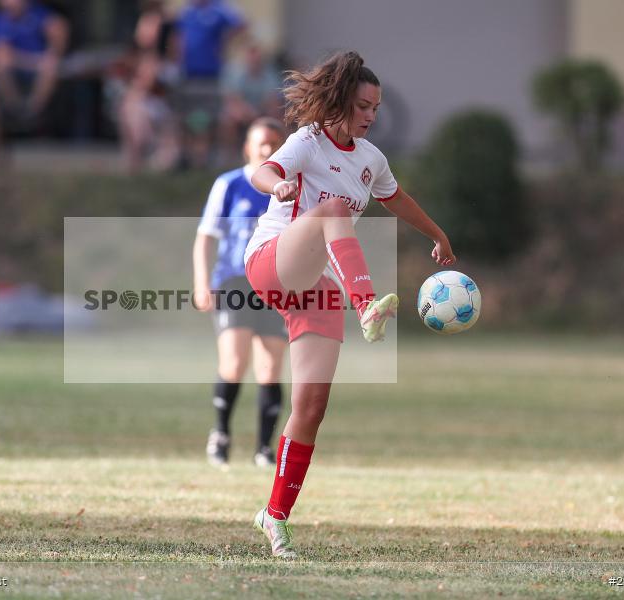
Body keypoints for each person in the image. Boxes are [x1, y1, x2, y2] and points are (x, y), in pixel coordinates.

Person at [244, 51, 456, 558]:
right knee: (333, 208)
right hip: (273, 261)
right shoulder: (307, 142)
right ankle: (366, 304)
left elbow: (395, 198)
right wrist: (281, 185)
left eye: (377, 108)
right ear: (340, 100)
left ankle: (273, 517)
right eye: (363, 104)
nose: (370, 115)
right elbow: (261, 172)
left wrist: (439, 235)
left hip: (315, 287)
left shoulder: (370, 159)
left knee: (311, 407)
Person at [193, 117, 288, 468]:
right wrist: (202, 282)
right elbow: (205, 237)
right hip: (235, 281)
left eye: (276, 143)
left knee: (270, 367)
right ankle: (220, 435)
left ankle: (264, 448)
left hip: (276, 285)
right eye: (262, 143)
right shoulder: (230, 184)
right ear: (247, 147)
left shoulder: (290, 188)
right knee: (234, 363)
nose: (268, 149)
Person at [173, 0, 246, 167]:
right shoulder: (187, 11)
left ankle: (207, 158)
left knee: (211, 118)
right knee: (185, 117)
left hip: (211, 75)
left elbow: (241, 25)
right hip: (188, 74)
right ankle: (186, 156)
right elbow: (179, 36)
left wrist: (224, 44)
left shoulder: (219, 9)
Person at [0, 0, 69, 125]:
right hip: (18, 67)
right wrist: (28, 60)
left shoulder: (38, 12)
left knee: (51, 65)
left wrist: (53, 49)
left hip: (38, 64)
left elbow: (59, 31)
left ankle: (34, 111)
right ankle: (15, 109)